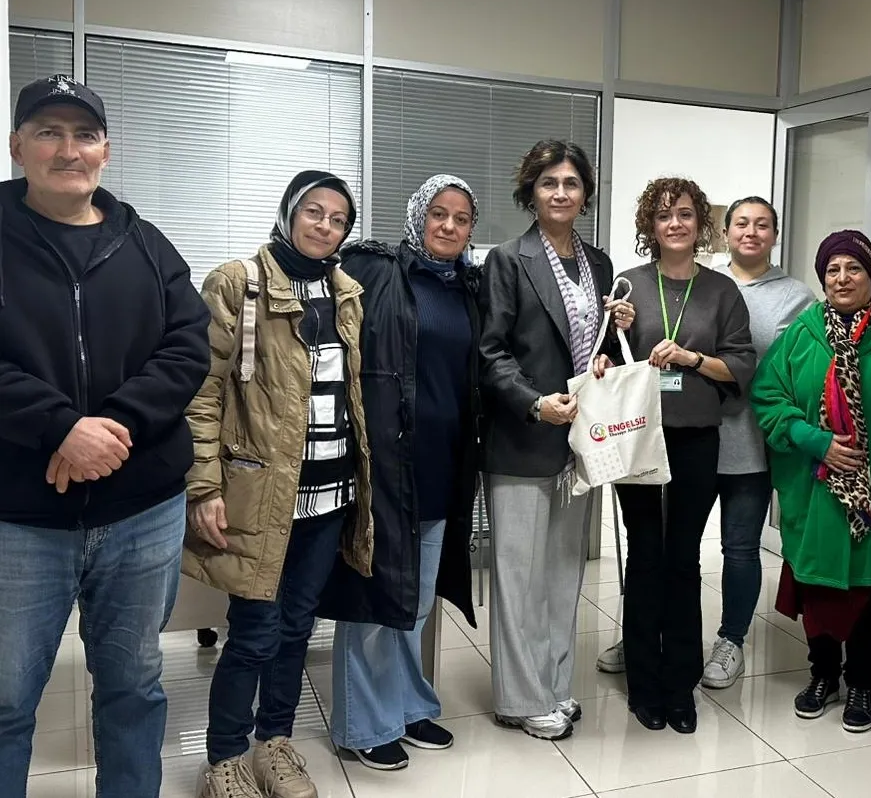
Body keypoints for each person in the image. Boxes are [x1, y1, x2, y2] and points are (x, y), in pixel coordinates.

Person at [0, 75, 211, 798]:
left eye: (84, 135)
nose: (69, 150)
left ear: (106, 151)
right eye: (49, 133)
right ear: (17, 146)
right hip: (20, 518)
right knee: (6, 701)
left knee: (134, 688)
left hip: (141, 514)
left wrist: (114, 427)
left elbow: (189, 345)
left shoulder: (145, 243)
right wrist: (60, 427)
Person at [185, 171, 371, 798]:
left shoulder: (346, 293)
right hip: (260, 495)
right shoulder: (238, 283)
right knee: (254, 633)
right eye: (313, 211)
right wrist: (203, 486)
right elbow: (201, 394)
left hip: (330, 494)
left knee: (297, 629)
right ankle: (225, 757)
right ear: (289, 213)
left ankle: (275, 744)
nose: (325, 226)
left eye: (338, 219)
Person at [316, 174, 481, 771]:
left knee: (415, 600)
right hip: (383, 465)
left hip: (442, 466)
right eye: (438, 213)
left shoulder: (468, 287)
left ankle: (409, 706)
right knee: (373, 598)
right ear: (417, 215)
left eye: (461, 218)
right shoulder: (376, 269)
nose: (448, 226)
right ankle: (363, 724)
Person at [479, 141, 634, 741]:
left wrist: (613, 337)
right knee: (519, 576)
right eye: (549, 183)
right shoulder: (507, 260)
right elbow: (490, 353)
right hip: (523, 437)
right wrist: (533, 402)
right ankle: (520, 698)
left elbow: (592, 348)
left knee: (565, 571)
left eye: (571, 183)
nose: (561, 193)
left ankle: (553, 682)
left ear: (585, 193)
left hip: (580, 440)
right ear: (531, 192)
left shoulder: (598, 263)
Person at [603, 176, 755, 734]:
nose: (675, 223)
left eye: (685, 214)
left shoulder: (722, 291)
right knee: (645, 553)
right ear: (651, 224)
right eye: (664, 214)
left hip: (695, 438)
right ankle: (644, 682)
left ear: (699, 223)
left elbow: (740, 366)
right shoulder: (627, 284)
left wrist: (691, 359)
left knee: (684, 556)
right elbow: (603, 359)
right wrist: (607, 351)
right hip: (637, 436)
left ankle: (680, 683)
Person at [752, 230, 871, 735]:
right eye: (832, 270)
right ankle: (822, 674)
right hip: (815, 486)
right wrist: (815, 440)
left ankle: (862, 680)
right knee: (817, 586)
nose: (842, 279)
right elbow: (768, 396)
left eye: (853, 268)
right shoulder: (802, 333)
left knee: (870, 586)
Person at [702, 196, 813, 689]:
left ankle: (732, 640)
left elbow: (800, 372)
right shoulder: (701, 282)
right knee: (671, 546)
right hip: (692, 437)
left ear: (774, 234)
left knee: (741, 548)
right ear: (726, 231)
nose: (751, 232)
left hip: (752, 442)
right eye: (742, 223)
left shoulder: (796, 297)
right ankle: (655, 627)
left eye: (762, 224)